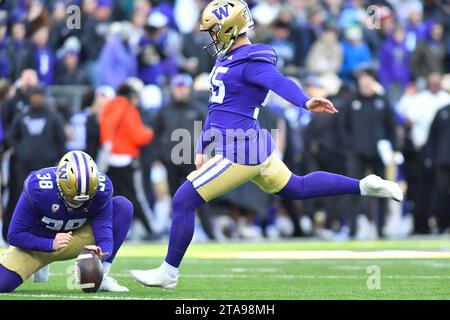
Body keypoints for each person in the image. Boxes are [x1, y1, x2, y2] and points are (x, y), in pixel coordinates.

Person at [131, 0, 403, 290]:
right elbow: (216, 109)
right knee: (295, 187)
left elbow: (279, 82)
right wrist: (201, 146)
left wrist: (305, 101)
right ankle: (363, 185)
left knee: (183, 200)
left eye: (214, 31)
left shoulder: (251, 61)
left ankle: (169, 272)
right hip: (252, 146)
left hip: (241, 150)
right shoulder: (228, 58)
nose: (210, 37)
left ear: (229, 29)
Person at [0, 150, 132, 292]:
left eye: (86, 199)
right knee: (3, 285)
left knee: (122, 207)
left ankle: (103, 275)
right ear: (59, 185)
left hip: (75, 238)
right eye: (72, 198)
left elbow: (105, 234)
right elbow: (14, 235)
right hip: (36, 246)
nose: (78, 204)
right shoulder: (39, 188)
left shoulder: (101, 190)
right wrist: (50, 244)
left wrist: (101, 253)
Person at [99, 83, 154, 238]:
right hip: (126, 159)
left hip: (110, 159)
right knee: (137, 196)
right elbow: (138, 137)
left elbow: (105, 133)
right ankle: (150, 229)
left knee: (111, 197)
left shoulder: (108, 107)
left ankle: (111, 231)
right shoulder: (129, 110)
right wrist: (149, 133)